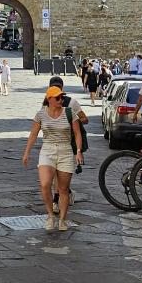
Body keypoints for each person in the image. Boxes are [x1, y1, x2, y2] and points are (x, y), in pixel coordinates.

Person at [22, 85, 84, 231]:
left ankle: (62, 220)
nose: (61, 99)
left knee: (63, 189)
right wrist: (27, 152)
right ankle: (50, 215)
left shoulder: (69, 113)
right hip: (47, 149)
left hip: (65, 150)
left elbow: (77, 133)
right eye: (57, 98)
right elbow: (33, 134)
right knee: (45, 184)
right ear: (49, 99)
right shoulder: (41, 114)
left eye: (61, 97)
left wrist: (79, 151)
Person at [48, 76, 88, 212]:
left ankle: (58, 198)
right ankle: (59, 197)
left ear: (62, 89)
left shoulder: (72, 103)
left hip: (68, 143)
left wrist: (72, 122)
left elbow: (85, 119)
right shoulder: (47, 103)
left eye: (58, 88)